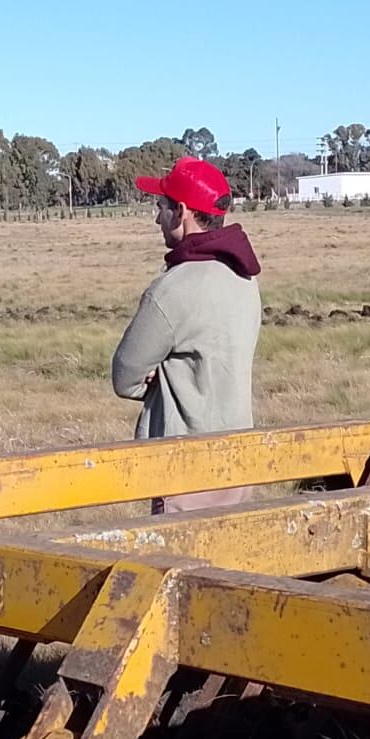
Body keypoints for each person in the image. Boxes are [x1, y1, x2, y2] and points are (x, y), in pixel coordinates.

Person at [111, 156, 263, 514]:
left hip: (184, 469)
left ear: (181, 212)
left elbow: (124, 376)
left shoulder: (172, 288)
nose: (156, 217)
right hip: (240, 460)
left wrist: (157, 376)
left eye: (160, 206)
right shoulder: (245, 278)